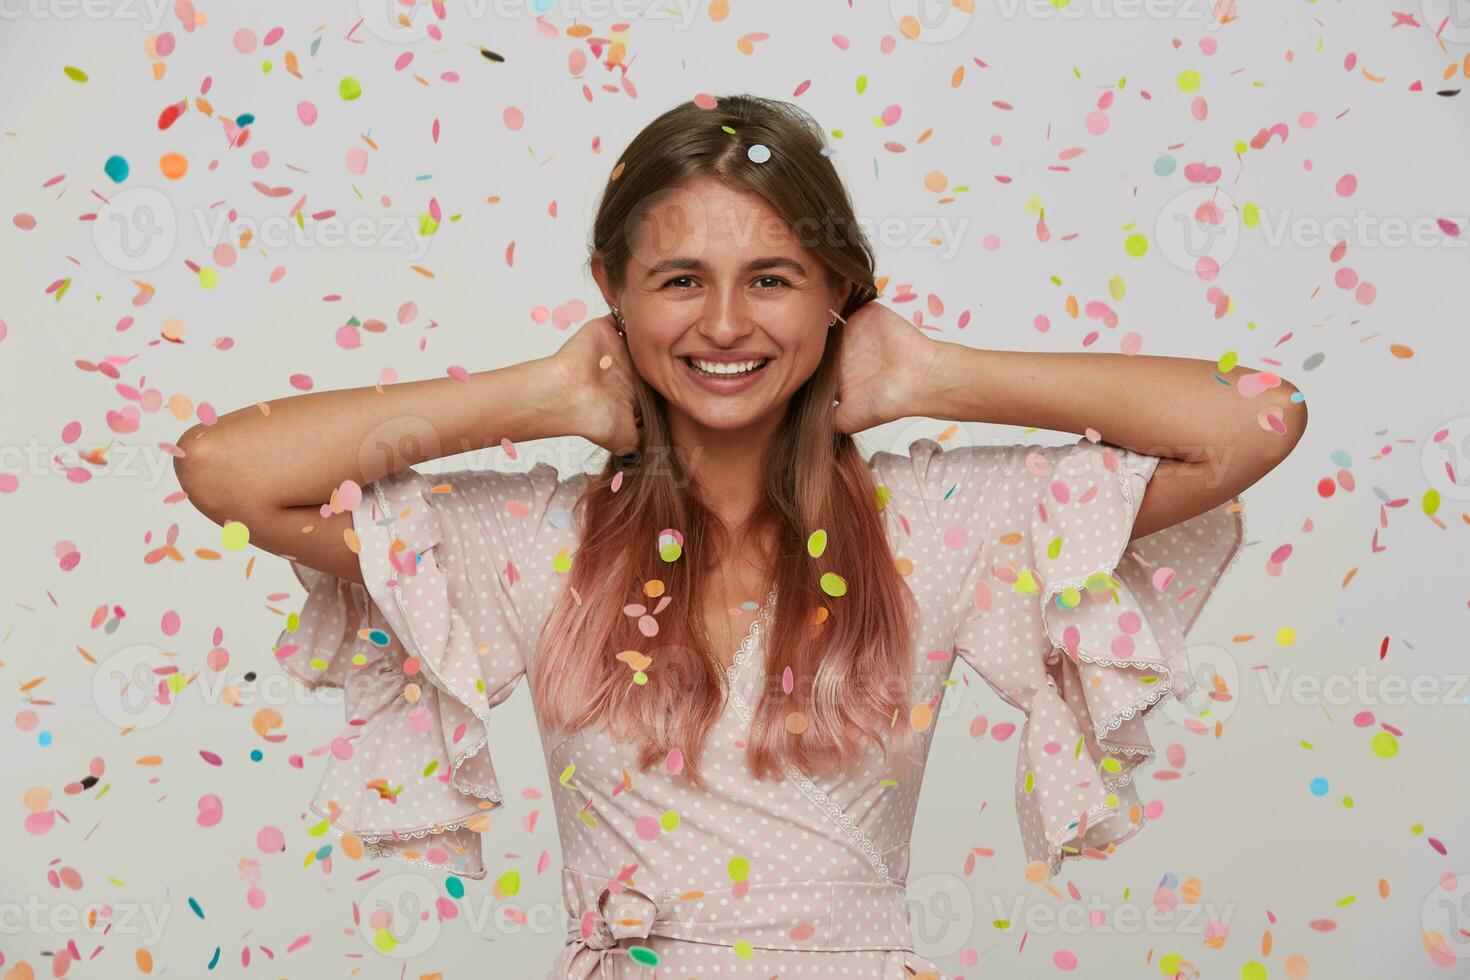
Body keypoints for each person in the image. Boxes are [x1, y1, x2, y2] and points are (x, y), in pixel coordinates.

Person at [173, 94, 1306, 979]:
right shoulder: (539, 540)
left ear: (837, 295)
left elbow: (1255, 420)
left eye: (771, 278)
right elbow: (225, 469)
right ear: (614, 289)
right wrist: (546, 390)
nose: (723, 324)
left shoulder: (937, 521)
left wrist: (933, 371)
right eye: (679, 281)